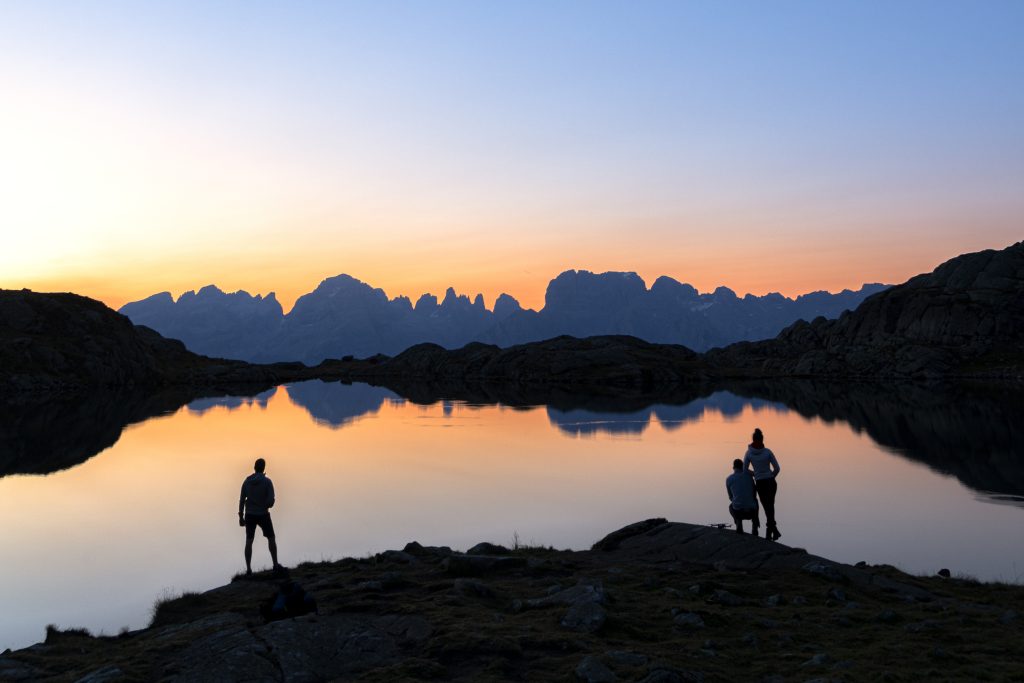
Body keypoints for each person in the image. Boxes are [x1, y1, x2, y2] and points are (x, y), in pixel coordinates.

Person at [239, 457, 282, 574]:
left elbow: (242, 500)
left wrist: (240, 517)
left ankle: (248, 569)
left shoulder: (247, 482)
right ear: (264, 468)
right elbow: (271, 502)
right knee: (271, 538)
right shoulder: (267, 482)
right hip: (263, 514)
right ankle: (275, 564)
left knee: (249, 541)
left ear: (254, 467)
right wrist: (265, 504)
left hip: (250, 514)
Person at [743, 427, 782, 540]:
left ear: (753, 440)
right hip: (771, 482)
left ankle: (771, 532)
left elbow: (745, 470)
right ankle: (771, 531)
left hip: (760, 483)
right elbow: (777, 469)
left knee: (767, 507)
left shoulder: (749, 453)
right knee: (770, 506)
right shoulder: (767, 452)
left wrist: (755, 474)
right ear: (762, 439)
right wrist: (770, 476)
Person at [726, 458, 761, 535]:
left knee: (731, 506)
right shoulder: (749, 476)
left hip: (738, 512)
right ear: (743, 467)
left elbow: (730, 497)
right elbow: (754, 491)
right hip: (752, 511)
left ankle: (738, 522)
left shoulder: (729, 479)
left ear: (733, 468)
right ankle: (755, 526)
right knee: (755, 501)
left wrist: (737, 500)